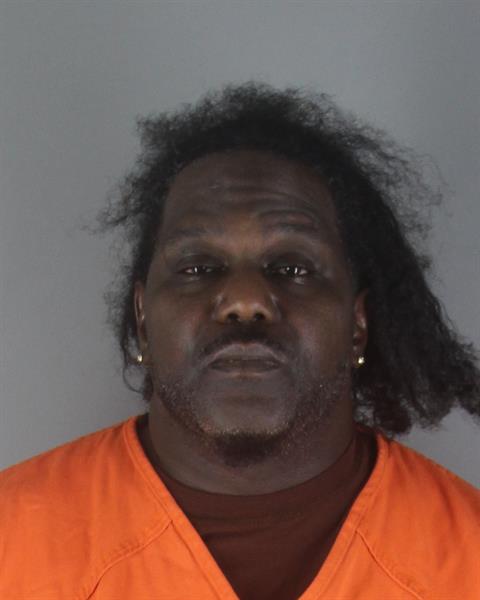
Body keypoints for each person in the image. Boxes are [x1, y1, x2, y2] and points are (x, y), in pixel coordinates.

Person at [1, 82, 479, 600]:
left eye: (292, 267)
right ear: (142, 319)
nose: (245, 301)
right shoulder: (11, 539)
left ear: (357, 325)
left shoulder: (467, 558)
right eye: (198, 267)